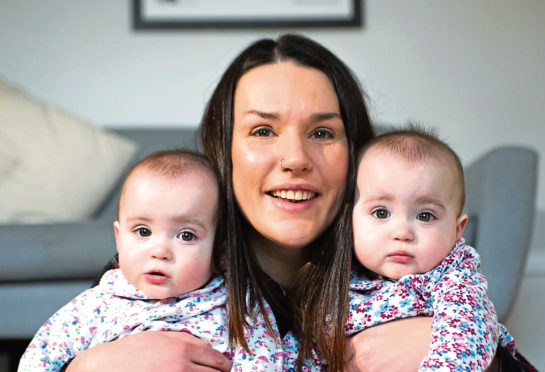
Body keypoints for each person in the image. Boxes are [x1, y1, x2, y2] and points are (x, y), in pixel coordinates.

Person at [64, 34, 530, 372]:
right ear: (222, 150)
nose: (295, 159)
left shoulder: (413, 267)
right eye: (263, 131)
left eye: (323, 133)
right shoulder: (159, 265)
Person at [19, 150, 283, 371]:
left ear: (220, 251)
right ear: (118, 238)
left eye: (186, 235)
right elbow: (38, 361)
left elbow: (269, 361)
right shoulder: (94, 306)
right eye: (143, 231)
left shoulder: (238, 305)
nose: (160, 251)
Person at [347, 127, 516, 371]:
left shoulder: (453, 277)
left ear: (457, 230)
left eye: (425, 216)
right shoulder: (338, 277)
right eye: (381, 212)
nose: (402, 232)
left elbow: (464, 337)